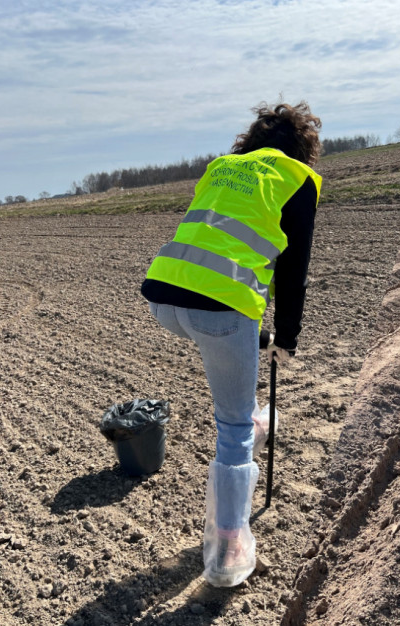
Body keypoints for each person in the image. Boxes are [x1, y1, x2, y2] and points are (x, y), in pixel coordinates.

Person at [141, 101, 322, 586]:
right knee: (234, 425)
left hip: (164, 298)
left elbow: (215, 243)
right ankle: (227, 551)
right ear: (302, 148)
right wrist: (286, 338)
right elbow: (293, 272)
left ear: (251, 142)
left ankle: (256, 418)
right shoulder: (297, 178)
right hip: (218, 312)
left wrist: (257, 335)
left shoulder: (221, 167)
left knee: (223, 341)